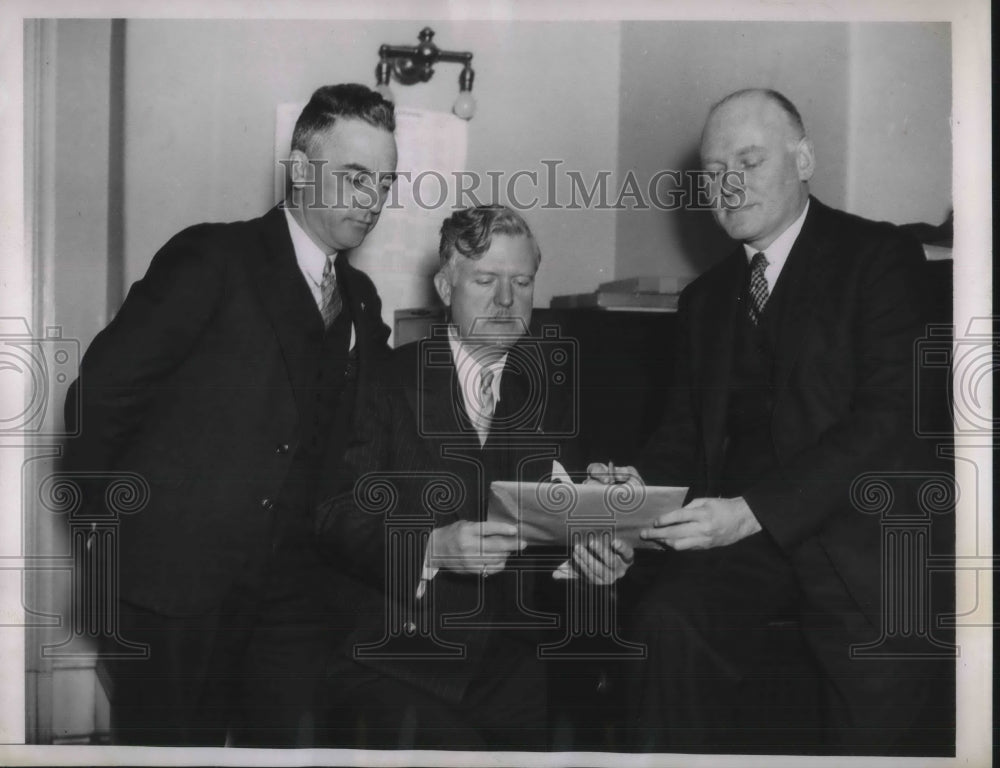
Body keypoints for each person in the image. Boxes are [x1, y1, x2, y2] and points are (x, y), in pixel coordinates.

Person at [592, 88, 934, 754]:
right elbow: (683, 441)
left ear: (802, 159)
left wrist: (750, 510)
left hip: (861, 535)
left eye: (748, 161)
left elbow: (888, 418)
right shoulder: (705, 300)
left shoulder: (880, 258)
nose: (728, 183)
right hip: (749, 548)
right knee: (669, 619)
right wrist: (627, 500)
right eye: (714, 171)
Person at [61, 83, 398, 746]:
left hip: (291, 602)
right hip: (171, 594)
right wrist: (109, 560)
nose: (373, 199)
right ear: (300, 168)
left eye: (385, 182)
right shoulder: (213, 257)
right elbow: (97, 402)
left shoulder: (360, 299)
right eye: (356, 176)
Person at [315, 204, 632, 750]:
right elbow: (333, 516)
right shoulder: (383, 380)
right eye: (486, 280)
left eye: (522, 281)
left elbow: (552, 532)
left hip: (509, 658)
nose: (506, 300)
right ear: (445, 285)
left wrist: (595, 548)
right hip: (395, 654)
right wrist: (432, 547)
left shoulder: (548, 398)